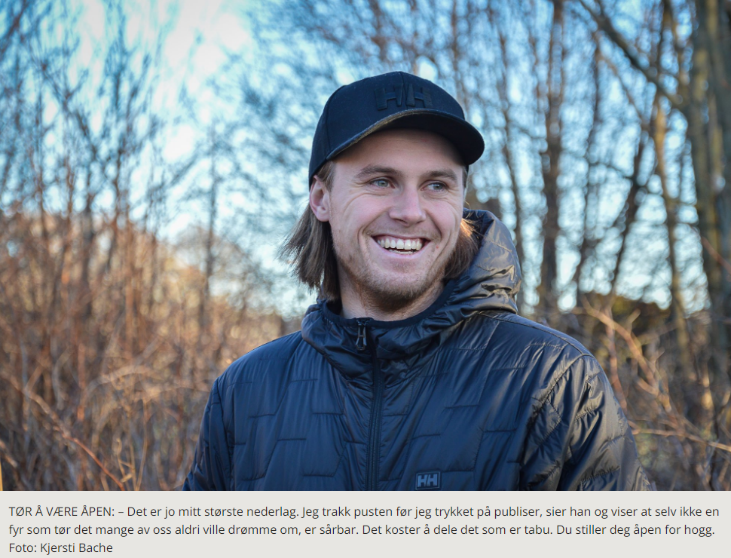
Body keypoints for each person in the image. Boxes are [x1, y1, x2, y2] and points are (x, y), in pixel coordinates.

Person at [183, 72, 650, 491]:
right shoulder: (245, 393)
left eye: (436, 185)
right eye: (381, 181)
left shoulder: (552, 380)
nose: (410, 211)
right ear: (321, 199)